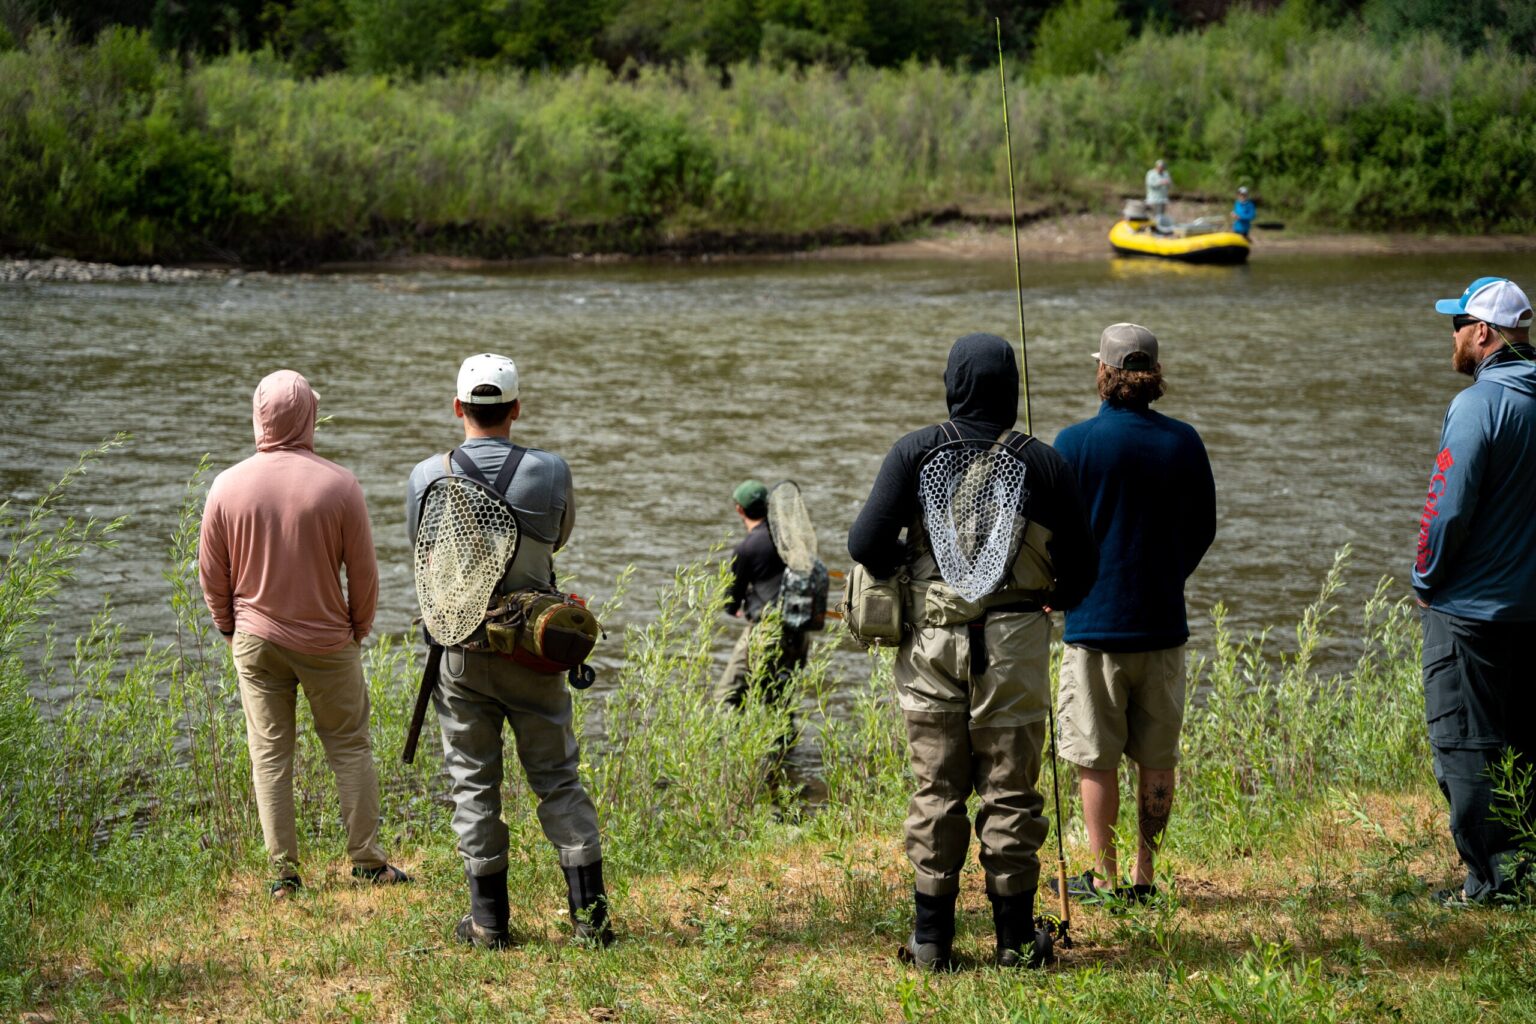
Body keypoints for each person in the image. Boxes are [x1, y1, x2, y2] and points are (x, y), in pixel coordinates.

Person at [847, 333, 1098, 970]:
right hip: (1013, 649)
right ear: (1010, 386)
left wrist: (909, 566)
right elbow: (1085, 568)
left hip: (931, 647)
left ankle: (931, 942)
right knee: (1010, 792)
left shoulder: (914, 450)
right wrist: (1050, 597)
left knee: (937, 790)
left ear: (952, 382)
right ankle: (1015, 943)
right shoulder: (1043, 463)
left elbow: (865, 543)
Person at [405, 353, 612, 947]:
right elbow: (559, 536)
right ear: (516, 408)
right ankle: (590, 924)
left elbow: (422, 551)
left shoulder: (425, 476)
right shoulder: (552, 472)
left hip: (461, 653)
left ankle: (489, 925)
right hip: (534, 649)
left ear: (458, 408)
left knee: (473, 783)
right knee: (557, 778)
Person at [199, 369, 408, 898]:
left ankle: (283, 875)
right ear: (310, 415)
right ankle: (366, 860)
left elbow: (210, 574)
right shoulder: (340, 485)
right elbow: (363, 575)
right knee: (349, 746)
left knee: (269, 754)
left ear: (259, 416)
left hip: (255, 640)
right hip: (327, 642)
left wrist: (230, 627)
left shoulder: (226, 486)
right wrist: (357, 628)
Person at [1052, 324, 1216, 903]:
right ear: (1153, 374)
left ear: (1104, 372)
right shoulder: (1185, 442)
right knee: (1156, 758)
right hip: (1164, 625)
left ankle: (1103, 876)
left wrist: (1061, 588)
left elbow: (1053, 538)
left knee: (1094, 758)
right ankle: (1146, 879)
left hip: (1093, 627)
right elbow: (1204, 530)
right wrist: (1168, 575)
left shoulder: (1071, 444)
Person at [1416, 277, 1536, 906]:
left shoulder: (1478, 406)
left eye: (1457, 324)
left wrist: (1425, 579)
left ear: (1483, 333)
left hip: (1472, 612)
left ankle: (1490, 882)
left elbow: (1446, 508)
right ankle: (1527, 866)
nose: (1453, 336)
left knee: (1464, 741)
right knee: (1524, 739)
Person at [714, 479, 809, 709]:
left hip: (766, 631)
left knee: (726, 695)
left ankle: (732, 743)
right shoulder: (787, 538)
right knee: (779, 702)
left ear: (739, 509)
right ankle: (784, 745)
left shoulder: (746, 549)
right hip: (799, 630)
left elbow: (731, 600)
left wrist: (734, 608)